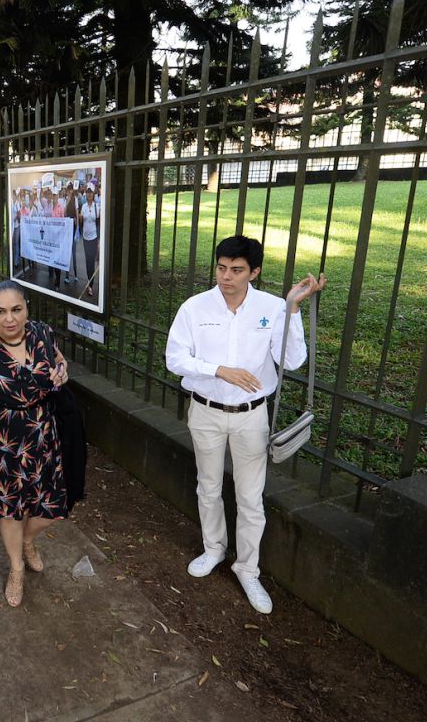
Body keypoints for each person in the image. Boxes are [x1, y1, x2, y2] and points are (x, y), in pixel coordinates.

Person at [165, 235, 325, 615]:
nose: (226, 277)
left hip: (252, 415)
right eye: (221, 268)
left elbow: (293, 362)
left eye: (236, 270)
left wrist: (293, 311)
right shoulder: (194, 307)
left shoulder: (272, 307)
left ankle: (247, 568)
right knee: (209, 486)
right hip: (205, 410)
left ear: (254, 272)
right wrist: (218, 370)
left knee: (251, 498)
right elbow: (175, 358)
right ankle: (213, 549)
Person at [0, 280, 70, 608]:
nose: (10, 319)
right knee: (9, 510)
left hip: (43, 436)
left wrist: (62, 371)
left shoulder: (42, 333)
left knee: (52, 508)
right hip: (2, 443)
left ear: (26, 308)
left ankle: (27, 540)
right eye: (0, 311)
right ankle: (16, 566)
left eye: (16, 310)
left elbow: (59, 361)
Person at [79, 182, 101, 296]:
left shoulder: (97, 207)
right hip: (85, 238)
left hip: (93, 238)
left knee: (91, 261)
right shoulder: (83, 207)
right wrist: (80, 218)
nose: (89, 195)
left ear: (93, 194)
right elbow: (82, 223)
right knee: (88, 261)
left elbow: (99, 224)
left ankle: (90, 285)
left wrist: (99, 241)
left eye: (91, 192)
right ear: (86, 194)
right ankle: (89, 280)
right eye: (87, 193)